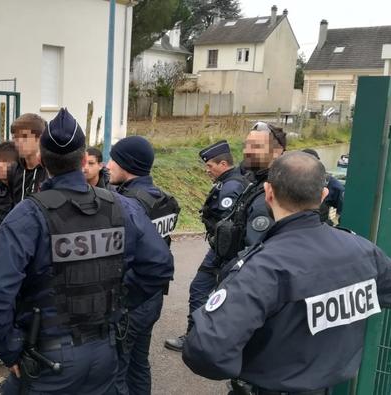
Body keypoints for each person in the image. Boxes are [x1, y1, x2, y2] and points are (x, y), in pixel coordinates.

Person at [0, 108, 174, 395]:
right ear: (82, 160)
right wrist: (118, 301)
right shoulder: (122, 207)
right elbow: (159, 266)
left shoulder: (28, 215)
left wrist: (10, 349)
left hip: (47, 358)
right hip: (104, 352)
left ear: (43, 158)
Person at [183, 152, 391, 394]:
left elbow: (205, 350)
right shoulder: (364, 251)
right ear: (323, 195)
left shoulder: (263, 268)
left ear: (268, 192)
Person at [107, 135, 180, 395]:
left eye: (113, 160)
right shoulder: (165, 199)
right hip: (153, 295)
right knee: (139, 363)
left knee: (117, 368)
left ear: (127, 165)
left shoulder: (128, 205)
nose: (107, 165)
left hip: (131, 297)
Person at [165, 140, 248, 352]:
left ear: (223, 164)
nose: (207, 170)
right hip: (228, 251)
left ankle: (194, 339)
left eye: (210, 165)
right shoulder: (234, 180)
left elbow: (228, 226)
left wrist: (222, 257)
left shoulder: (230, 186)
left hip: (224, 252)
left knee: (200, 288)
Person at [211, 122, 286, 273]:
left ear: (277, 152)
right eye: (247, 145)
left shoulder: (274, 190)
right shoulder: (253, 181)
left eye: (256, 146)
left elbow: (257, 255)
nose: (247, 151)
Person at [7, 113, 49, 204]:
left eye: (25, 136)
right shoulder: (13, 170)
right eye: (15, 137)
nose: (19, 142)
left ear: (40, 138)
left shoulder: (50, 171)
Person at [302, 148, 345, 225]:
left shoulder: (330, 183)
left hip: (318, 230)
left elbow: (345, 209)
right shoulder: (287, 182)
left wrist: (333, 225)